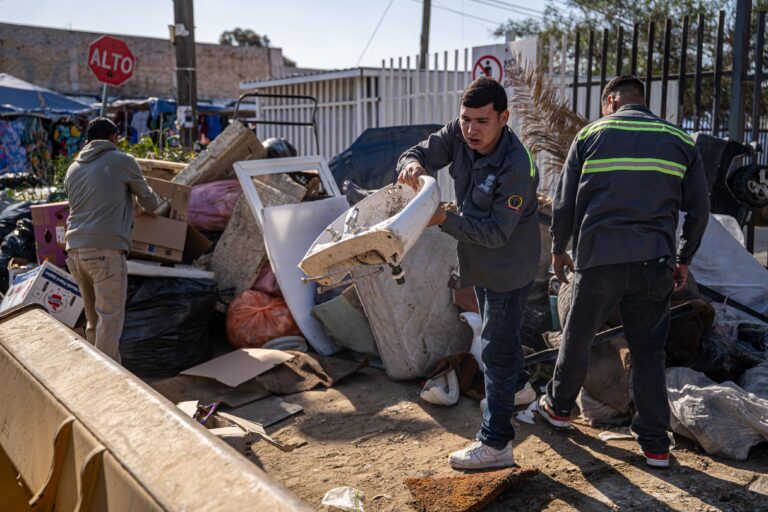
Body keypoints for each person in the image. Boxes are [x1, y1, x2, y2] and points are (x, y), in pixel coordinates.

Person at [537, 76, 710, 469]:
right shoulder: (680, 141)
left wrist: (558, 249)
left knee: (577, 338)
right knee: (649, 352)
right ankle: (654, 445)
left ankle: (559, 409)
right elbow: (699, 210)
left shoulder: (590, 135)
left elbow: (564, 203)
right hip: (655, 264)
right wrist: (683, 258)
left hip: (598, 260)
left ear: (610, 101)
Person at [397, 77, 540, 470]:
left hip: (509, 264)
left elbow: (495, 232)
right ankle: (520, 387)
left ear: (503, 118)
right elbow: (419, 151)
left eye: (482, 121)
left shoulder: (517, 167)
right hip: (478, 257)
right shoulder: (459, 135)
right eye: (465, 120)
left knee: (495, 346)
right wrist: (412, 164)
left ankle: (496, 444)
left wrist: (443, 217)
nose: (471, 130)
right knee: (502, 339)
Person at [65, 117, 163, 362]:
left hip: (75, 252)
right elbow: (150, 201)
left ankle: (98, 373)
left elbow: (97, 200)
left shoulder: (73, 168)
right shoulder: (122, 160)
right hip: (105, 252)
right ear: (113, 138)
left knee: (94, 322)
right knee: (110, 320)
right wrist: (160, 207)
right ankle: (104, 383)